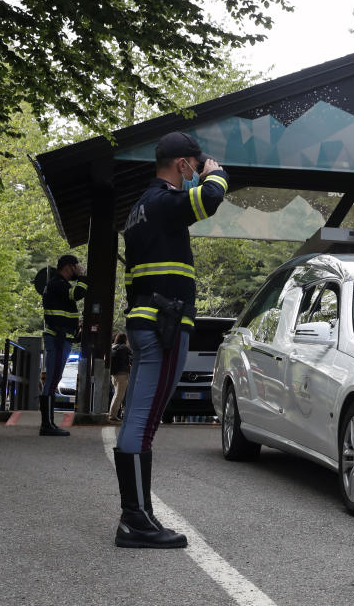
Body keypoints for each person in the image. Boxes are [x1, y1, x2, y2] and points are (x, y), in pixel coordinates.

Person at [113, 131, 228, 548]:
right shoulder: (163, 201)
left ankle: (136, 516)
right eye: (195, 166)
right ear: (183, 165)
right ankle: (136, 521)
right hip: (164, 326)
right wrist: (216, 174)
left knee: (137, 421)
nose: (199, 173)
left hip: (147, 321)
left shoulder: (139, 209)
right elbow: (208, 200)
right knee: (142, 425)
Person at [40, 254, 89, 436]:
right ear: (68, 267)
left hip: (62, 338)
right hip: (58, 338)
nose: (79, 268)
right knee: (52, 381)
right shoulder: (57, 284)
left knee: (53, 380)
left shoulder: (59, 284)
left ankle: (49, 424)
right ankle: (47, 425)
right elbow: (77, 294)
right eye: (77, 266)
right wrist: (83, 277)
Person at [108, 333, 131, 422]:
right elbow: (131, 357)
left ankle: (112, 414)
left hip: (114, 375)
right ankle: (113, 415)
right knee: (119, 396)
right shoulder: (124, 348)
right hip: (122, 374)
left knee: (116, 395)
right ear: (125, 339)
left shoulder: (113, 347)